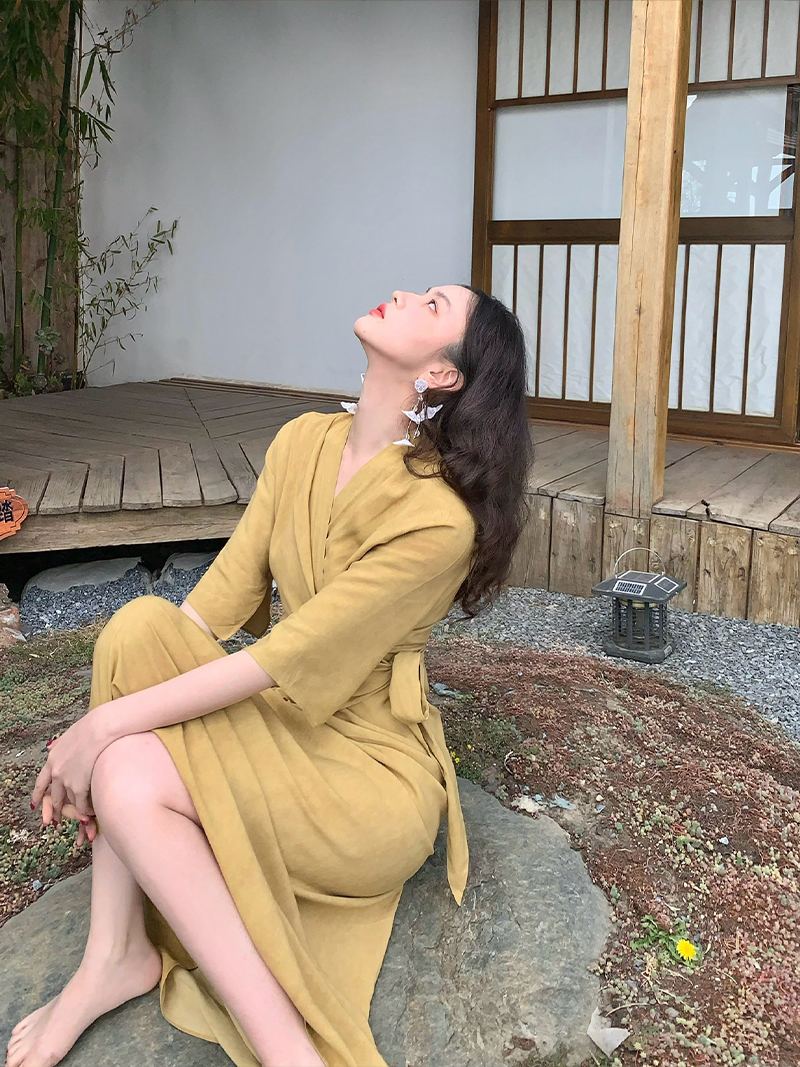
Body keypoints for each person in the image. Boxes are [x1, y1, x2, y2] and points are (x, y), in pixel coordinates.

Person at [9, 284, 534, 1067]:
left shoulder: (438, 519)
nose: (401, 294)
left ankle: (287, 1048)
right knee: (137, 627)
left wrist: (101, 726)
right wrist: (113, 705)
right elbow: (204, 613)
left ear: (442, 374)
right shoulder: (302, 443)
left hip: (366, 780)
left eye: (431, 305)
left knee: (120, 765)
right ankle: (113, 953)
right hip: (285, 726)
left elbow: (281, 658)